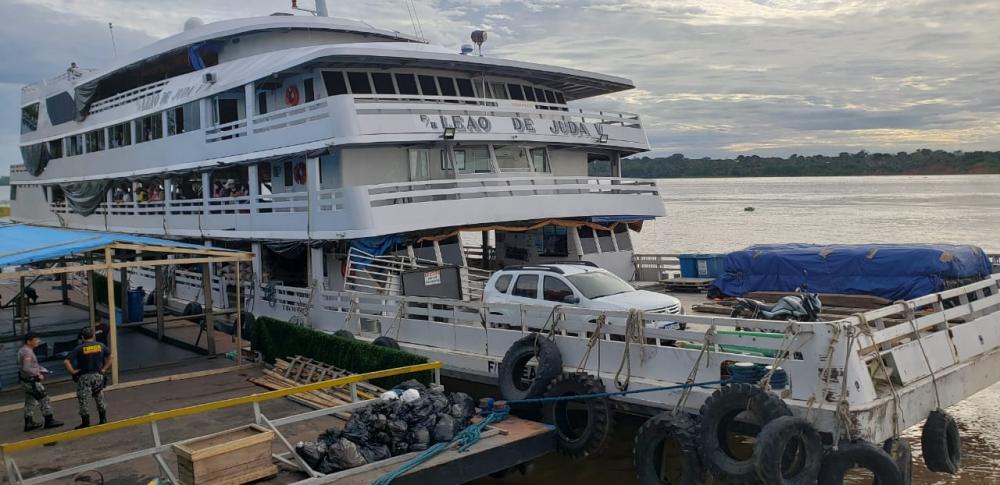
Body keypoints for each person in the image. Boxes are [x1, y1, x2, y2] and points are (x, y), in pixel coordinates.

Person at [64, 328, 112, 428]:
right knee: (99, 397)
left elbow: (66, 361)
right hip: (98, 375)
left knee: (83, 399)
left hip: (84, 377)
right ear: (93, 336)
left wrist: (73, 372)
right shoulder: (100, 345)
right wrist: (104, 369)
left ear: (82, 337)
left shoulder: (79, 348)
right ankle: (103, 419)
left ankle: (86, 422)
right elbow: (110, 357)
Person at [18, 333, 64, 432]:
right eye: (36, 339)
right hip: (32, 381)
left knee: (30, 401)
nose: (38, 341)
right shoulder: (27, 352)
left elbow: (28, 366)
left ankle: (29, 422)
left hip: (26, 381)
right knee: (44, 399)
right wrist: (38, 374)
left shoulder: (24, 350)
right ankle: (49, 420)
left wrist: (40, 369)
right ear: (29, 341)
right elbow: (26, 368)